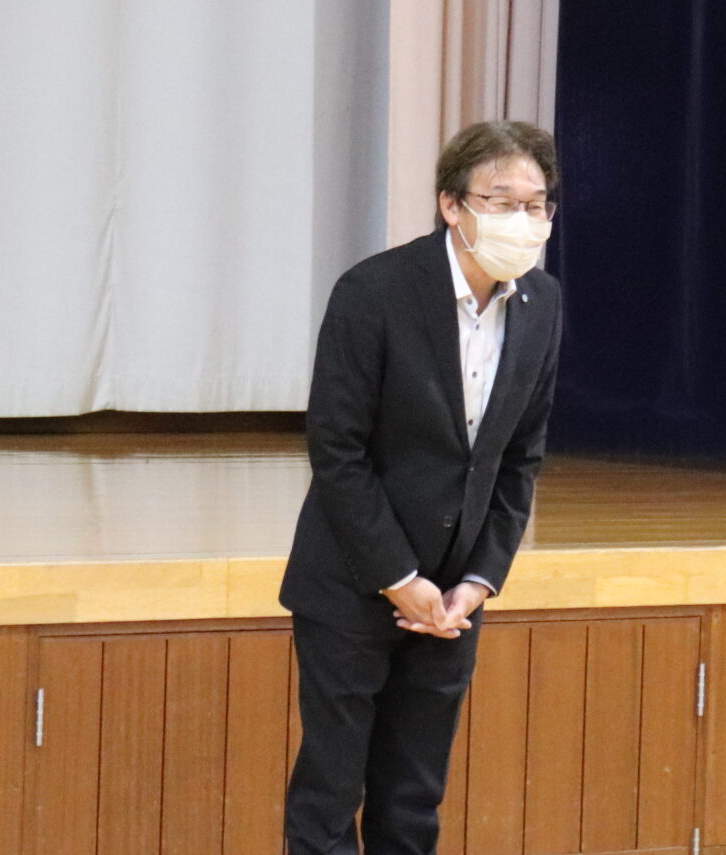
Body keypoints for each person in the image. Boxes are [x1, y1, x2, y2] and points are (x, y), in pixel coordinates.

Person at [279, 120, 563, 855]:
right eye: (502, 201)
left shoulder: (543, 303)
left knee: (413, 799)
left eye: (536, 205)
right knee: (330, 795)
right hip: (353, 581)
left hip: (453, 600)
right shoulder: (374, 291)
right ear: (451, 205)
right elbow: (337, 450)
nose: (523, 220)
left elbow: (519, 459)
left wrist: (478, 581)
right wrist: (399, 579)